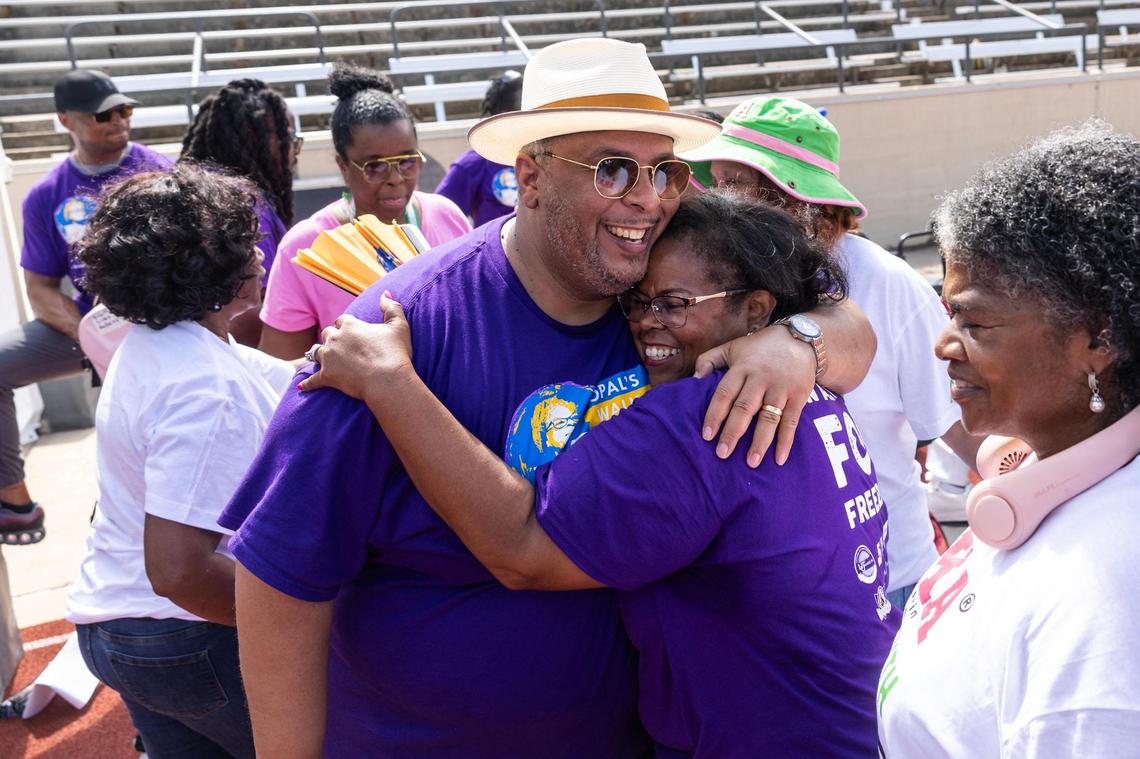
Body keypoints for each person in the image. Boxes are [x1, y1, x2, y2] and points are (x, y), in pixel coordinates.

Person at [220, 38, 876, 758]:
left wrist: (799, 340)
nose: (649, 197)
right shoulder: (398, 332)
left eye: (666, 171)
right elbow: (281, 572)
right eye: (615, 168)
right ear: (529, 176)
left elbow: (852, 326)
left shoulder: (669, 309)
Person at [302, 191, 899, 756]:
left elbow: (522, 550)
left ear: (758, 309)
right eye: (637, 302)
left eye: (675, 304)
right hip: (860, 724)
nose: (646, 323)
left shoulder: (697, 421)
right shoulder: (806, 380)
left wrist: (391, 383)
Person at [876, 121, 1140, 756]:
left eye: (974, 320)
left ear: (1098, 338)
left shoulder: (1104, 607)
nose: (944, 345)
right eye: (947, 316)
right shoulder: (1049, 476)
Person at [680, 96, 980, 611]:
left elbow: (965, 428)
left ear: (795, 198)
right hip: (765, 581)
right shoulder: (720, 278)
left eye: (735, 183)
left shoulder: (888, 285)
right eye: (718, 180)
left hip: (889, 576)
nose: (719, 201)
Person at [66, 165, 295, 758]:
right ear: (208, 268)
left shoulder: (159, 340)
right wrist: (301, 621)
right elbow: (181, 572)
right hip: (176, 635)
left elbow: (287, 377)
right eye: (245, 245)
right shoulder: (206, 390)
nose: (262, 256)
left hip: (116, 629)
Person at [0, 69, 171, 544]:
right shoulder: (45, 195)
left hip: (166, 319)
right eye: (103, 114)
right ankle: (14, 503)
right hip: (88, 327)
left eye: (124, 110)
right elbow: (38, 287)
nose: (118, 121)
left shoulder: (159, 172)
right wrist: (92, 335)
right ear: (65, 120)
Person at [258, 62, 470, 360]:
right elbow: (279, 371)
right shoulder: (304, 247)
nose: (395, 178)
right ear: (343, 166)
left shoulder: (447, 217)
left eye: (407, 161)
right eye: (375, 166)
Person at [181, 78, 302, 346]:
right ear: (254, 136)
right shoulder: (246, 204)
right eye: (288, 136)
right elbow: (252, 311)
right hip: (230, 355)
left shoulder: (193, 187)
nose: (294, 149)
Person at [435, 70, 523, 226]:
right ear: (504, 115)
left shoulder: (550, 157)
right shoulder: (472, 164)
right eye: (524, 110)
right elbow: (439, 217)